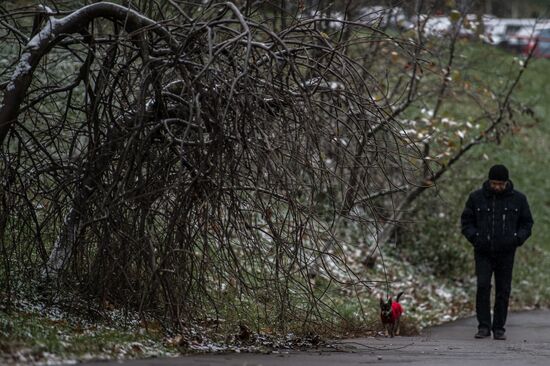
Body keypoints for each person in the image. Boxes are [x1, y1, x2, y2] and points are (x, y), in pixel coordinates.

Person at [461, 164, 534, 340]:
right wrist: (475, 237)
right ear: (489, 181)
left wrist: (517, 239)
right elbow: (466, 222)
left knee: (503, 290)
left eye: (500, 184)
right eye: (494, 183)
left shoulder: (518, 199)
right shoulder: (476, 198)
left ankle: (499, 328)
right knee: (483, 286)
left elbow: (527, 223)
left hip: (506, 253)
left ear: (506, 182)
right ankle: (484, 326)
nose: (497, 187)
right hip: (483, 251)